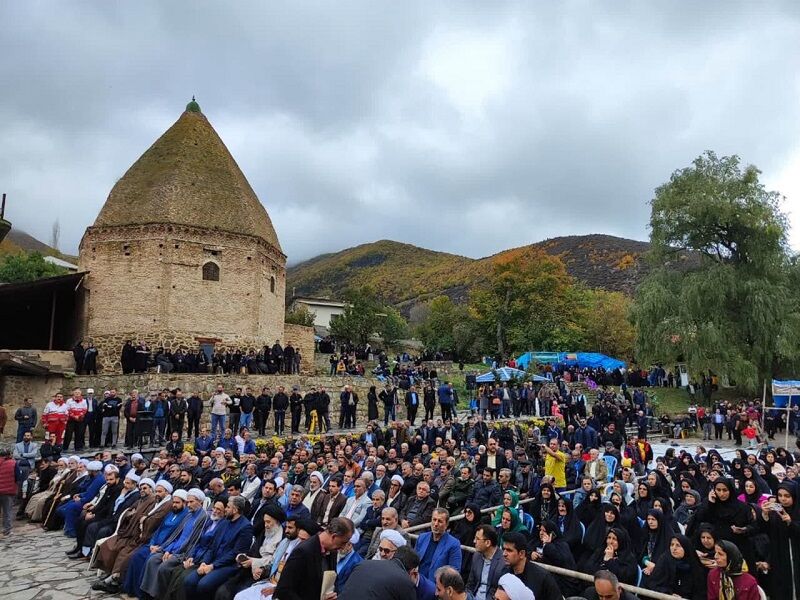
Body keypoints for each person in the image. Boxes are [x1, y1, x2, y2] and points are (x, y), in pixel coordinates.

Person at [273, 516, 355, 600]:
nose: (343, 546)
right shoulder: (303, 552)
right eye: (343, 542)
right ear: (334, 536)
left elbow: (330, 582)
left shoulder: (332, 551)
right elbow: (283, 590)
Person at [500, 531, 562, 599]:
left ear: (522, 554)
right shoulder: (504, 573)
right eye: (504, 549)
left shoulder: (542, 577)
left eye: (509, 550)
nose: (504, 554)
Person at [466, 524, 504, 600]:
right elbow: (470, 584)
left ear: (487, 543)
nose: (474, 541)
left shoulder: (503, 561)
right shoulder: (476, 556)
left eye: (477, 539)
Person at [0, 448, 19, 536]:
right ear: (9, 455)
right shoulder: (13, 463)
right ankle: (7, 530)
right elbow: (18, 477)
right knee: (7, 511)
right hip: (8, 491)